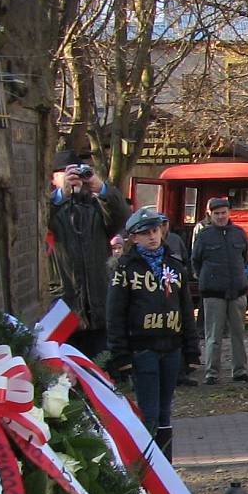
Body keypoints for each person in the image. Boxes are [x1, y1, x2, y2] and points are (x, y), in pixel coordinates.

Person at [107, 208, 198, 459]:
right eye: (145, 233)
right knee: (149, 409)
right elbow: (115, 315)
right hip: (142, 348)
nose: (152, 237)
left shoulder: (175, 267)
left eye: (155, 231)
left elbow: (187, 310)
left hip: (171, 346)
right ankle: (148, 465)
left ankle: (166, 463)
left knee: (165, 408)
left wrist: (191, 349)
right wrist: (121, 355)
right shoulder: (125, 269)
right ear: (133, 238)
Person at [48, 150, 129, 358]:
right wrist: (62, 196)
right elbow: (38, 224)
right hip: (63, 311)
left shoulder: (96, 209)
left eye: (78, 173)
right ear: (53, 177)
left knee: (100, 373)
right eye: (66, 173)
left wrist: (100, 187)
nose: (74, 178)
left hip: (98, 311)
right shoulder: (48, 208)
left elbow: (121, 217)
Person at [191, 196, 248, 385]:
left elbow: (244, 257)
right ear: (209, 215)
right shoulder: (204, 236)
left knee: (238, 334)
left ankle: (240, 371)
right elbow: (196, 261)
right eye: (216, 214)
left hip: (237, 291)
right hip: (213, 293)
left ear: (229, 213)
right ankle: (211, 373)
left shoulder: (239, 233)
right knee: (213, 336)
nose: (220, 217)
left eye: (223, 213)